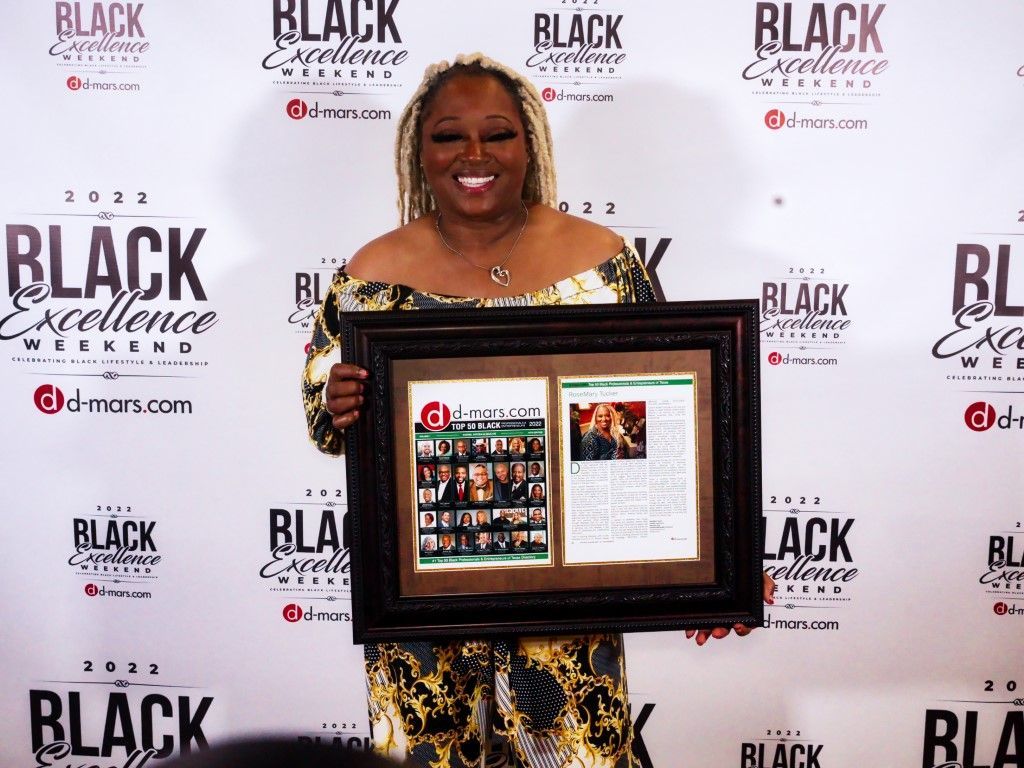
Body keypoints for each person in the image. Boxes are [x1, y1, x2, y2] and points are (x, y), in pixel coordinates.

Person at [303, 52, 763, 768]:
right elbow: (325, 424)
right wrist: (340, 402)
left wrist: (723, 558)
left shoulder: (604, 263)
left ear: (531, 146)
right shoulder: (370, 278)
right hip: (422, 625)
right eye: (450, 136)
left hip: (566, 617)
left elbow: (675, 420)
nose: (475, 154)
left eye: (499, 134)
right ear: (419, 153)